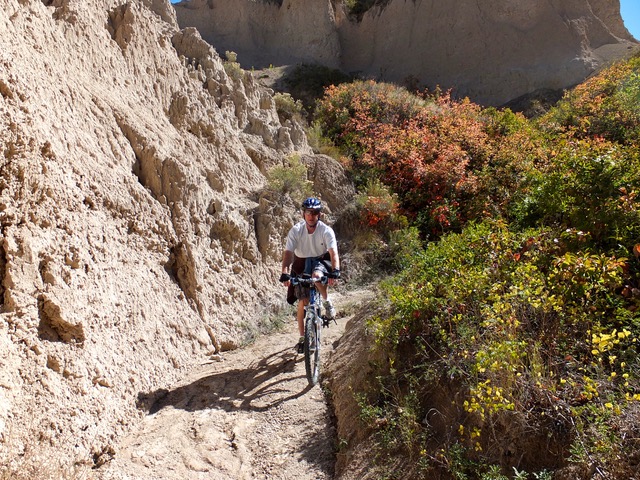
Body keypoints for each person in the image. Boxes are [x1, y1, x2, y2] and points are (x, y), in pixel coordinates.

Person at [279, 197, 340, 353]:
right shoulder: (296, 231)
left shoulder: (326, 230)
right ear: (303, 214)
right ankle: (302, 337)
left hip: (320, 259)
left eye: (314, 213)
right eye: (308, 212)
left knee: (317, 275)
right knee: (302, 301)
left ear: (319, 214)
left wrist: (335, 270)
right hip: (301, 261)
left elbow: (333, 252)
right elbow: (288, 254)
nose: (311, 216)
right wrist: (284, 273)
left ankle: (326, 301)